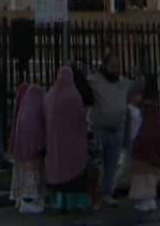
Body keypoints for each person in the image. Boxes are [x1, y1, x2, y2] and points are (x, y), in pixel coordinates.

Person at [88, 52, 132, 208]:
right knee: (97, 167)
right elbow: (82, 82)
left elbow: (138, 86)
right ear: (104, 66)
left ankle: (107, 194)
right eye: (112, 65)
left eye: (118, 65)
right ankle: (95, 197)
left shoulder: (124, 83)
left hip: (117, 130)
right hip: (100, 130)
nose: (116, 69)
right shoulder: (96, 80)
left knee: (111, 166)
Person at [44, 66, 91, 212]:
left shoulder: (50, 95)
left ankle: (59, 202)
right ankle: (76, 203)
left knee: (58, 171)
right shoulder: (73, 95)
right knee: (74, 173)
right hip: (73, 145)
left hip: (54, 143)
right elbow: (80, 119)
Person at [127, 80, 160, 213]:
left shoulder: (145, 117)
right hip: (153, 156)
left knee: (141, 180)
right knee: (150, 179)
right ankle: (150, 201)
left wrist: (135, 148)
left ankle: (145, 202)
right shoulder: (156, 118)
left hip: (142, 156)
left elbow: (142, 136)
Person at [9, 83, 46, 214]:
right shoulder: (36, 110)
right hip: (34, 151)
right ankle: (29, 201)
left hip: (20, 152)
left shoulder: (22, 112)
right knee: (32, 176)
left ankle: (20, 198)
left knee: (22, 175)